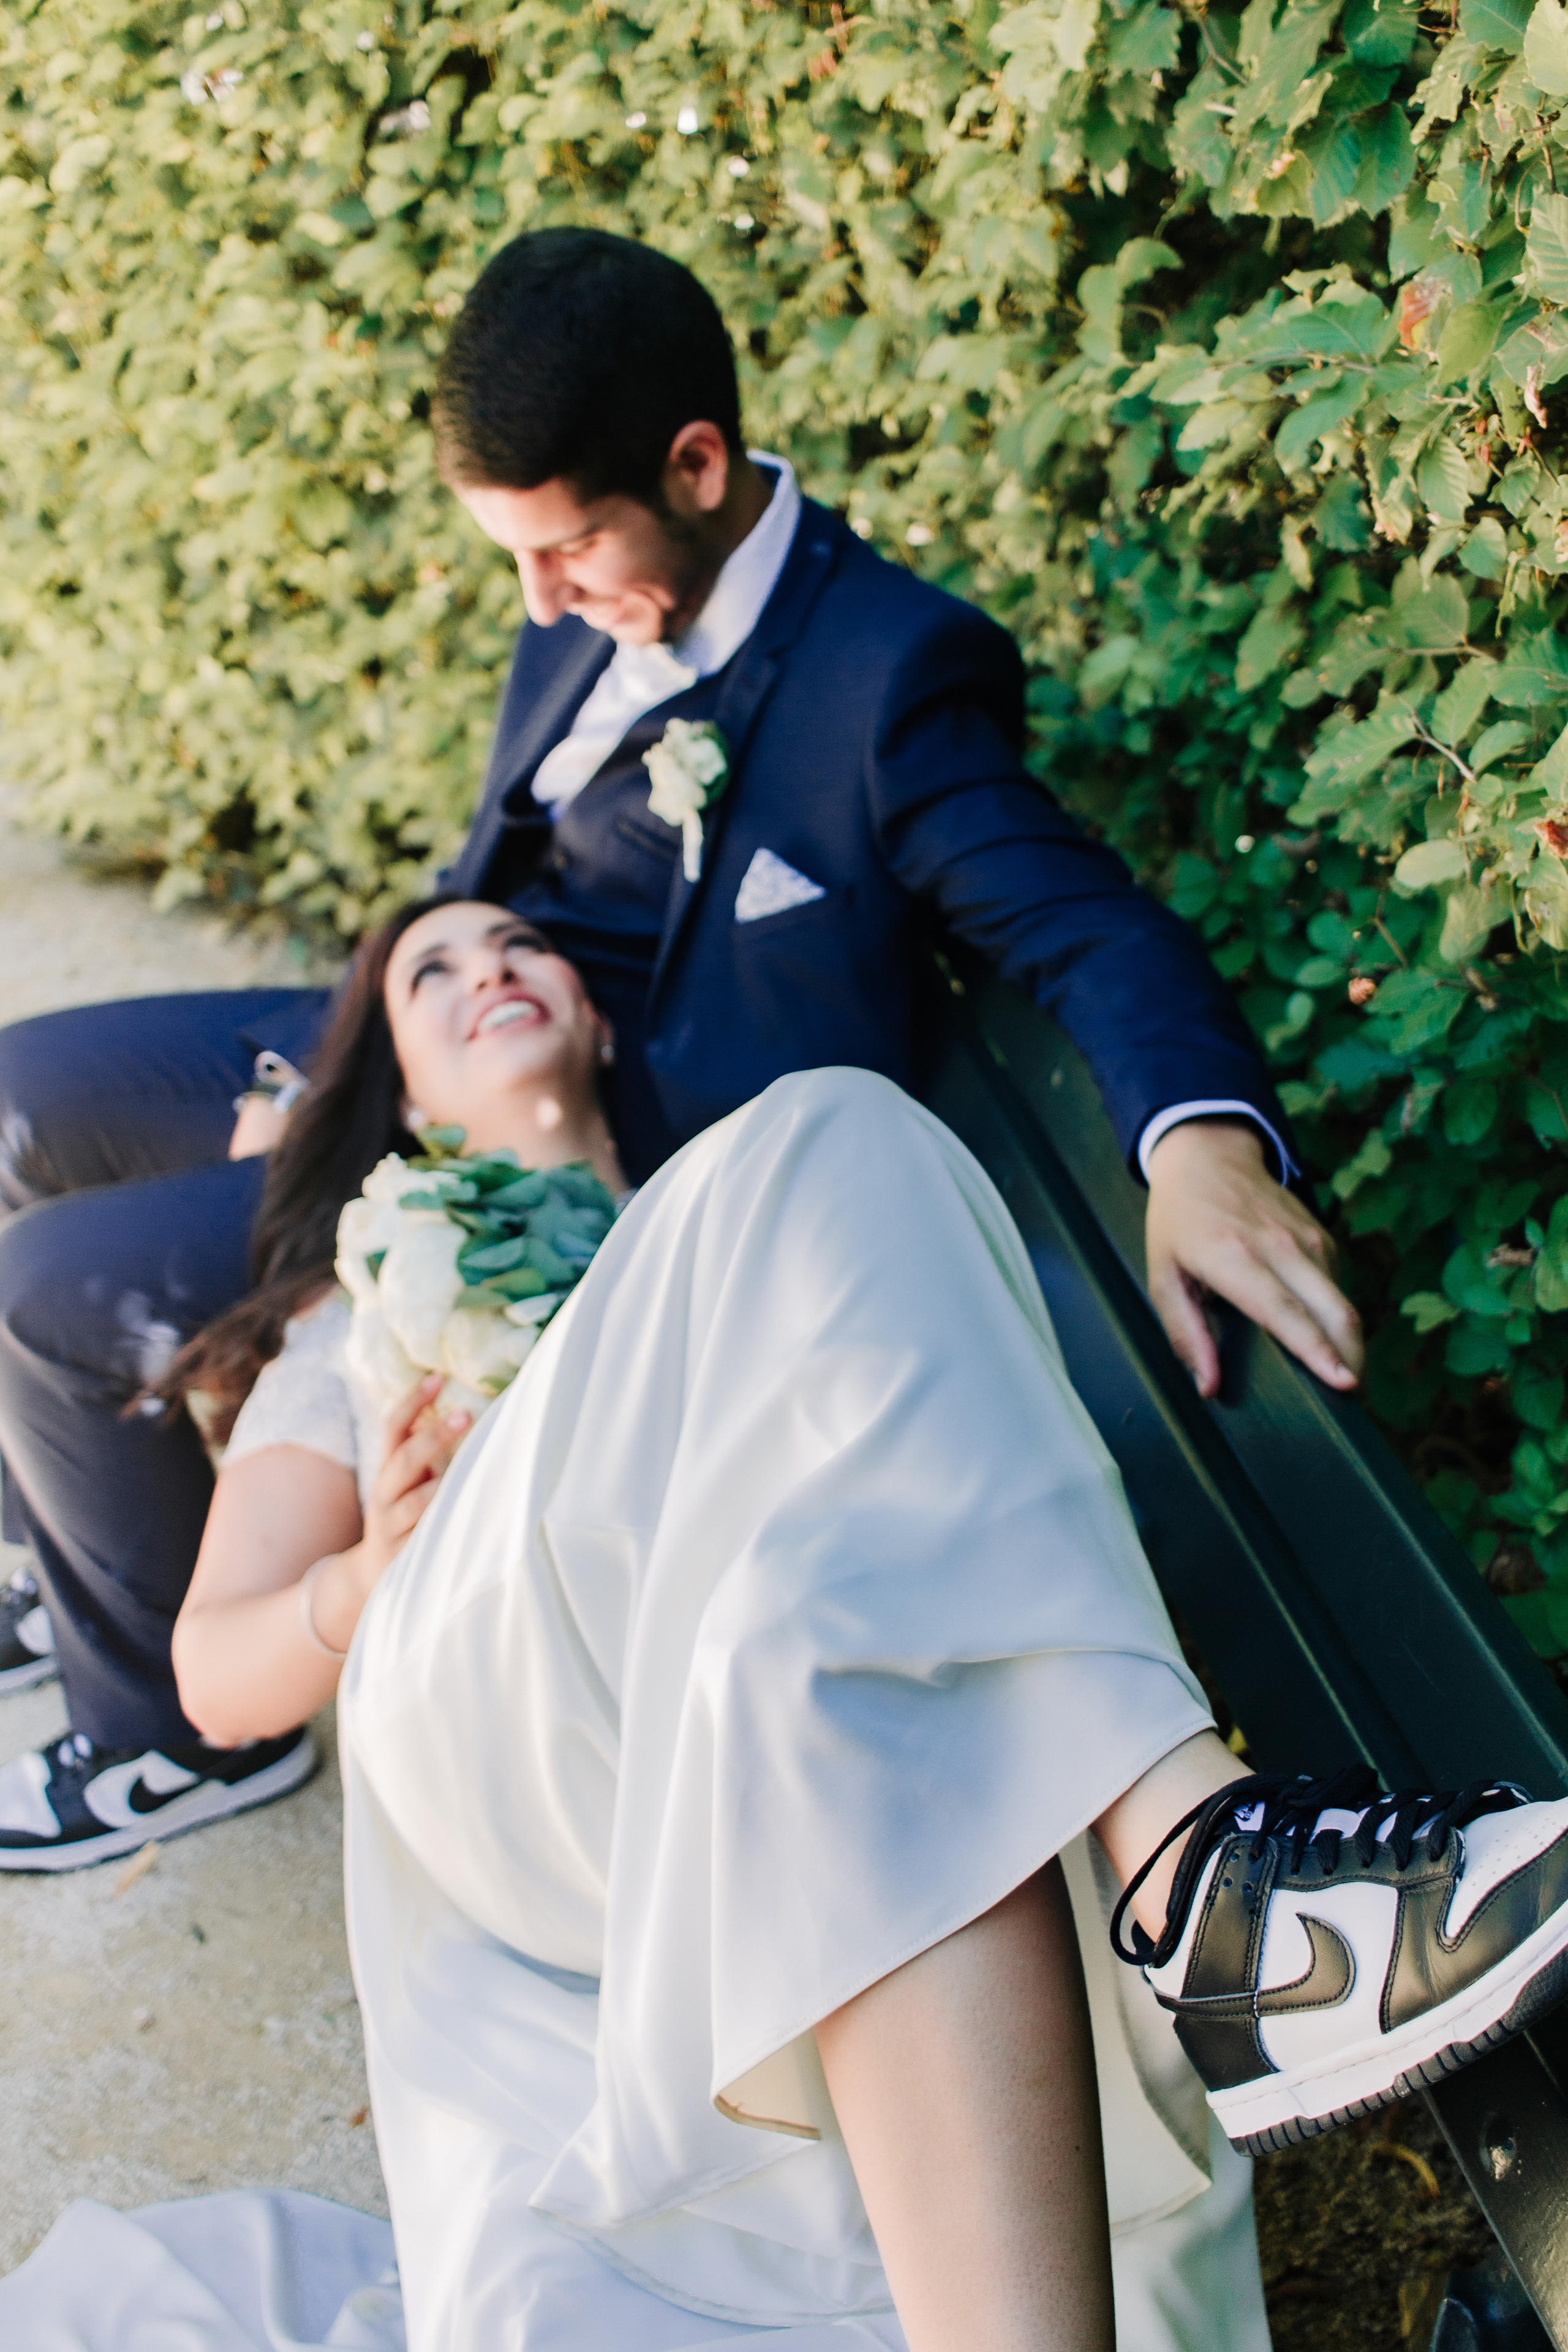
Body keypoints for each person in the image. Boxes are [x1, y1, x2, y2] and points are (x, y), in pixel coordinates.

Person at [7, 894, 1567, 2352]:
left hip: (734, 1721)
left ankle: (1203, 1938)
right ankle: (1206, 1871)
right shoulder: (359, 1304)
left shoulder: (746, 1237)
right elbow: (216, 1677)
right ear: (405, 1095)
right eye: (433, 974)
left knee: (810, 1608)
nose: (490, 967)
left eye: (519, 945)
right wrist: (377, 1564)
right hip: (496, 1725)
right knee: (838, 1128)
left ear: (599, 1026)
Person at [0, 225, 1363, 1855]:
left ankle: (184, 1736)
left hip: (558, 1145)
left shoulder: (887, 681)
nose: (537, 597)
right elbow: (501, 854)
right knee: (14, 1099)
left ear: (698, 465)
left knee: (47, 1295)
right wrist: (352, 1070)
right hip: (433, 1025)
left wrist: (1199, 1136)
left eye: (566, 553)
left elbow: (1081, 921)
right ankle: (96, 1560)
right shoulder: (586, 558)